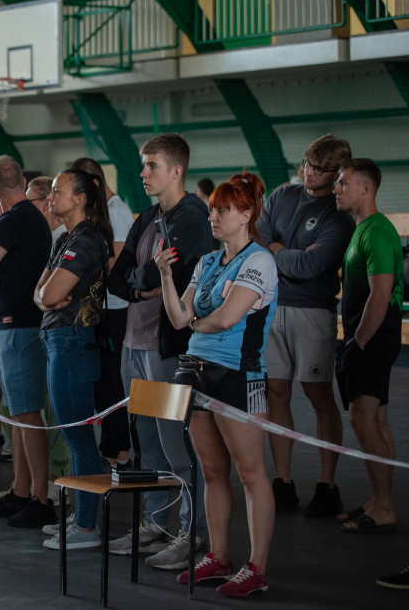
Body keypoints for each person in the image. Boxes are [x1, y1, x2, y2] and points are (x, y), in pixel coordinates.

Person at [156, 173, 277, 597]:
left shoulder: (260, 260)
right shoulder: (208, 262)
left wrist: (195, 324)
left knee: (250, 472)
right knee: (211, 470)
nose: (213, 216)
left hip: (239, 376)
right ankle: (219, 556)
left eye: (222, 210)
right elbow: (177, 318)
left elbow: (226, 319)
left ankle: (257, 567)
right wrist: (166, 277)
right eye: (213, 208)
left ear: (246, 216)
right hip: (195, 371)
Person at [106, 134, 211, 566]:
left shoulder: (192, 217)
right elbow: (119, 277)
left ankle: (194, 533)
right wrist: (142, 286)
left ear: (176, 171)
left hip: (168, 346)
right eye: (142, 165)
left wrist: (142, 279)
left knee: (178, 446)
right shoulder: (147, 216)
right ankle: (159, 521)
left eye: (151, 165)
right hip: (134, 343)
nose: (143, 173)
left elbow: (152, 271)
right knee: (147, 444)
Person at [257, 135, 355, 516]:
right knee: (275, 393)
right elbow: (258, 238)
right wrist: (286, 253)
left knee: (318, 395)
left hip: (313, 312)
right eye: (306, 163)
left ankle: (327, 484)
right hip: (272, 307)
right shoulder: (282, 195)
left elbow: (310, 267)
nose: (308, 172)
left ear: (336, 174)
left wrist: (278, 251)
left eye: (318, 168)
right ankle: (283, 481)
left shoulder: (338, 216)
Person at [0, 156, 54, 528]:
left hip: (19, 328)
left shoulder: (11, 221)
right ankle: (21, 489)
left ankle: (41, 496)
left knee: (28, 415)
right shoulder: (32, 221)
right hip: (18, 325)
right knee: (19, 413)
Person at [34, 168, 113, 550]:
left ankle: (86, 527)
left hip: (72, 343)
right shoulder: (64, 237)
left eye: (57, 190)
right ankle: (82, 514)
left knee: (80, 438)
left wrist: (44, 297)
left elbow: (50, 296)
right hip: (58, 341)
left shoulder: (86, 240)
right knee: (71, 435)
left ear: (80, 198)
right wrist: (43, 297)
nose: (51, 197)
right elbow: (41, 292)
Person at [334, 158, 403, 534]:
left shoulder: (376, 231)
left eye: (344, 183)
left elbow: (380, 296)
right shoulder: (363, 230)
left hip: (372, 339)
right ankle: (380, 501)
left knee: (363, 418)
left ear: (366, 189)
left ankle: (385, 506)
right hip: (372, 338)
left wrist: (356, 345)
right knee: (377, 419)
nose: (337, 189)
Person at [73, 157, 135, 472]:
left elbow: (116, 265)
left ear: (93, 185)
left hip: (113, 310)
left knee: (109, 382)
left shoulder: (117, 213)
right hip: (102, 307)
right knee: (104, 381)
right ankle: (118, 447)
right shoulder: (106, 211)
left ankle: (114, 450)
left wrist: (75, 272)